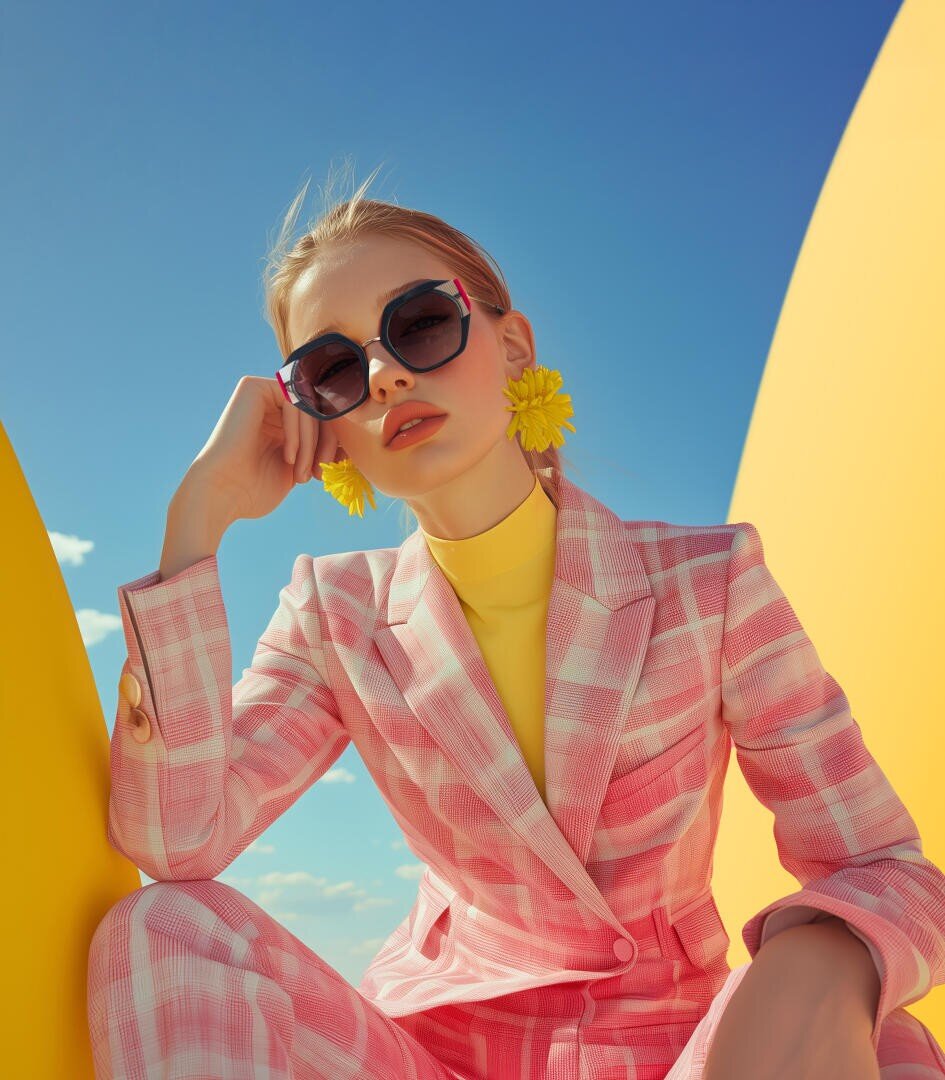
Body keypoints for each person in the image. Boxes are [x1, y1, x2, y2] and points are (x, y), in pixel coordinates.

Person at [86, 172, 945, 1079]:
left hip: (682, 1055)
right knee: (163, 927)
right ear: (319, 423)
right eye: (332, 370)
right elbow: (177, 844)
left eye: (418, 324)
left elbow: (884, 868)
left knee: (871, 1030)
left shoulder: (708, 582)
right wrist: (198, 523)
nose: (384, 373)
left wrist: (807, 970)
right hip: (429, 1054)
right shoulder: (332, 615)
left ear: (515, 346)